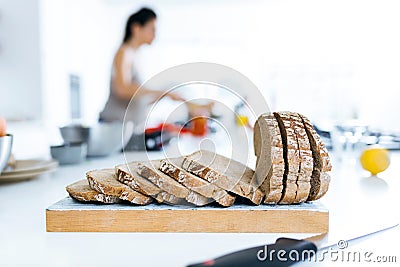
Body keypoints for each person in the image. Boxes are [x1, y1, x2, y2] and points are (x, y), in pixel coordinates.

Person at [99, 7, 183, 130]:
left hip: (127, 127)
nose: (155, 34)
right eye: (152, 29)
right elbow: (122, 89)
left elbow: (138, 98)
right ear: (136, 28)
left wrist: (165, 95)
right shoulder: (124, 53)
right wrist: (163, 92)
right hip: (113, 127)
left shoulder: (135, 56)